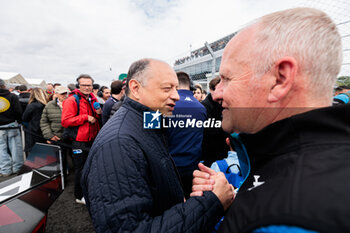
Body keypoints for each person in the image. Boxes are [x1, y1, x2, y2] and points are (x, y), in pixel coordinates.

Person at [192, 8, 350, 232]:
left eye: (227, 78)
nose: (217, 94)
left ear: (280, 80)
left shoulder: (284, 217)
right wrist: (228, 202)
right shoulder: (318, 167)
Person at [81, 58, 234, 233]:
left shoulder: (148, 120)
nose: (176, 96)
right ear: (136, 88)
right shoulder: (118, 145)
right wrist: (211, 202)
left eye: (176, 88)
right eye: (167, 88)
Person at [61, 74, 101, 204]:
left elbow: (96, 116)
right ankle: (79, 195)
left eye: (89, 85)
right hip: (79, 141)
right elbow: (65, 121)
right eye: (83, 85)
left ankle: (88, 190)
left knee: (90, 167)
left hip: (92, 139)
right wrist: (85, 117)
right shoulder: (72, 100)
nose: (86, 87)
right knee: (80, 169)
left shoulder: (92, 98)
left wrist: (98, 113)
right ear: (78, 85)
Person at [167, 71, 207, 199]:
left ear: (175, 85)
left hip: (171, 167)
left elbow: (150, 136)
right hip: (193, 166)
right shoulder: (201, 108)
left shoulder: (165, 106)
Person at [40, 86, 69, 176]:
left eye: (65, 93)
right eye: (62, 94)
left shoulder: (72, 103)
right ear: (56, 94)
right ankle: (61, 177)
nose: (64, 95)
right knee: (59, 160)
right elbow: (44, 122)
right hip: (57, 137)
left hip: (71, 136)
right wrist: (49, 136)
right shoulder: (49, 105)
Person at [201, 76, 230, 166]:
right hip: (211, 150)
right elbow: (210, 129)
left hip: (223, 149)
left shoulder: (223, 103)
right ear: (211, 90)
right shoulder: (205, 106)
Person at [0, 79, 23, 176]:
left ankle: (5, 170)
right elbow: (18, 111)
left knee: (1, 149)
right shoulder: (12, 96)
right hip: (12, 125)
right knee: (15, 147)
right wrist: (19, 121)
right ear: (4, 85)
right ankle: (18, 168)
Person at [22, 88, 48, 154]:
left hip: (33, 130)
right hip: (44, 130)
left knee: (33, 153)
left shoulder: (32, 105)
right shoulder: (47, 105)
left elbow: (25, 118)